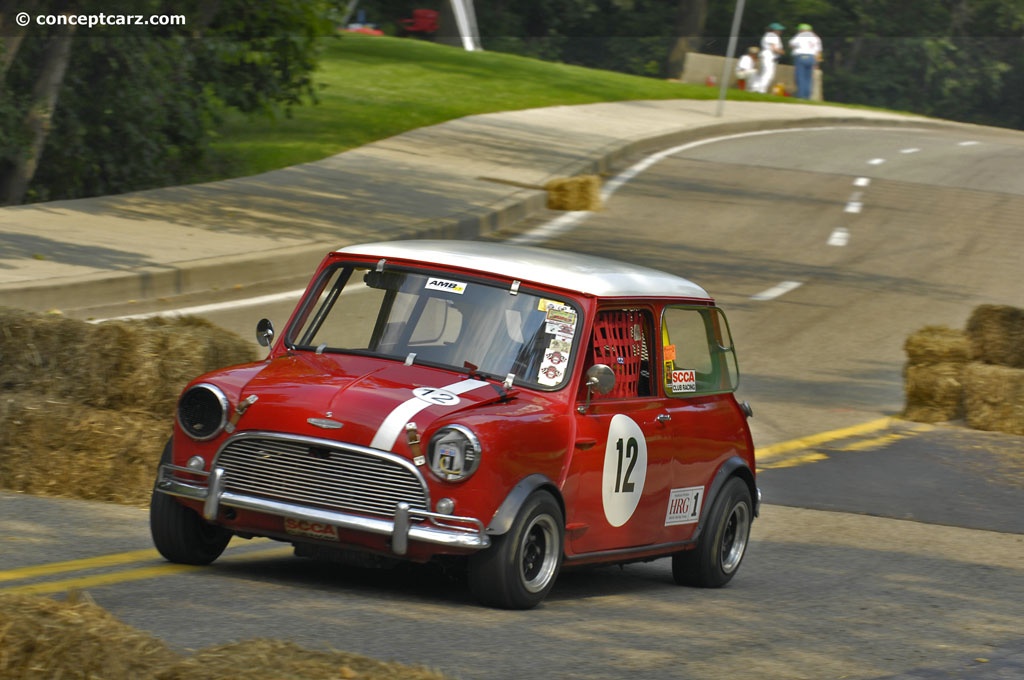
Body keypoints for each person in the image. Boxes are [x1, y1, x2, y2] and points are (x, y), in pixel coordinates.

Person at [789, 23, 822, 99]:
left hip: (801, 56)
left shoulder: (800, 35)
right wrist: (817, 62)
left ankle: (801, 95)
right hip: (811, 57)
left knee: (800, 76)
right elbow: (818, 51)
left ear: (801, 30)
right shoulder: (816, 38)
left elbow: (791, 44)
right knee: (808, 78)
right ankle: (807, 96)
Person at [751, 23, 785, 94]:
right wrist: (781, 52)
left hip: (766, 55)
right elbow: (774, 48)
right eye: (779, 30)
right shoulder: (773, 35)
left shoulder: (767, 35)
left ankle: (756, 88)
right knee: (768, 73)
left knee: (763, 73)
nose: (780, 31)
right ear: (774, 30)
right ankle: (761, 90)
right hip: (769, 55)